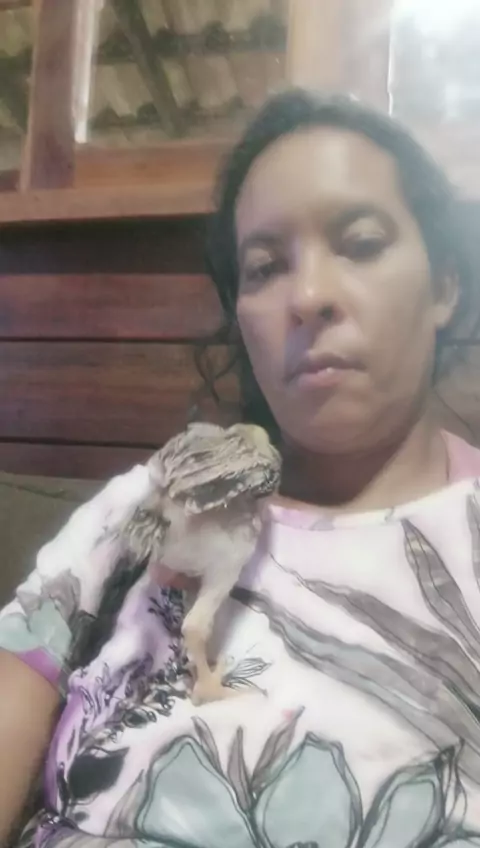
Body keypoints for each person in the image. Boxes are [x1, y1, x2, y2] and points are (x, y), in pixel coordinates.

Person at [1, 88, 480, 847]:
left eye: (360, 244)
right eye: (265, 268)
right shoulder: (145, 502)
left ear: (445, 285)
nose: (309, 297)